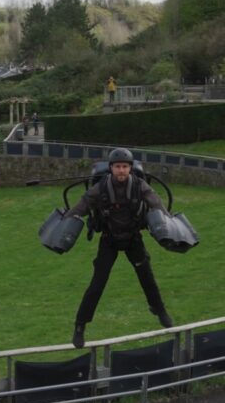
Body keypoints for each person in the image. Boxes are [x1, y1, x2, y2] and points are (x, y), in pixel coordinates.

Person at [64, 148, 174, 347]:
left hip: (133, 239)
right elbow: (82, 206)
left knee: (147, 276)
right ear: (111, 168)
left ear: (130, 168)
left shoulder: (140, 186)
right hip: (109, 240)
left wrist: (169, 221)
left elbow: (156, 203)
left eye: (124, 166)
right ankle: (80, 325)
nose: (121, 170)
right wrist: (66, 221)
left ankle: (160, 310)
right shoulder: (100, 188)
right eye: (117, 167)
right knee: (97, 283)